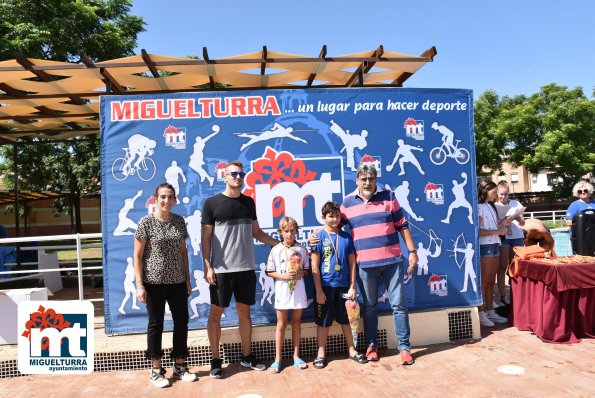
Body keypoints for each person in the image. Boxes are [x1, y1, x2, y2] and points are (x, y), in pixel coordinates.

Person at [311, 164, 419, 365]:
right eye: (364, 179)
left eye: (371, 178)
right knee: (369, 307)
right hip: (365, 264)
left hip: (393, 261)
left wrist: (412, 251)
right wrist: (315, 237)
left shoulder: (389, 197)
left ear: (376, 179)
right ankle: (371, 346)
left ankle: (404, 348)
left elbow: (402, 225)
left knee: (399, 306)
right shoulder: (347, 203)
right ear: (357, 181)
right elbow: (332, 223)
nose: (367, 182)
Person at [201, 160, 280, 378]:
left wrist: (282, 244)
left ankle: (247, 356)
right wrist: (207, 266)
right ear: (224, 177)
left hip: (246, 269)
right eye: (233, 174)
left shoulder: (249, 203)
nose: (238, 177)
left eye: (241, 174)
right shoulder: (211, 203)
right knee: (216, 314)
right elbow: (205, 238)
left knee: (244, 312)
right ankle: (215, 360)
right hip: (221, 271)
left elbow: (258, 233)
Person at [134, 182, 197, 388]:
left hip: (177, 281)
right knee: (156, 324)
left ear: (175, 200)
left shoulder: (179, 221)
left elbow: (184, 252)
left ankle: (180, 367)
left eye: (170, 197)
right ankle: (156, 370)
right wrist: (140, 284)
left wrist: (187, 279)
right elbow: (137, 255)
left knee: (181, 322)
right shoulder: (145, 223)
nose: (166, 201)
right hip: (153, 282)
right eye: (162, 197)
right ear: (155, 199)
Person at [310, 201, 366, 369]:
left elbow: (352, 264)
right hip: (325, 287)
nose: (334, 219)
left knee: (346, 320)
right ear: (323, 218)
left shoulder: (346, 237)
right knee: (323, 322)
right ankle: (321, 354)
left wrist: (352, 286)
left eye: (336, 216)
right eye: (330, 216)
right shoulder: (318, 237)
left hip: (343, 287)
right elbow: (314, 266)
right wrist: (319, 290)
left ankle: (352, 350)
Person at [265, 216, 310, 373]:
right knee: (281, 324)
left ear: (297, 231)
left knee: (296, 323)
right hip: (282, 292)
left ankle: (296, 356)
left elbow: (307, 270)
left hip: (298, 291)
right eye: (286, 231)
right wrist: (284, 276)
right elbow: (269, 271)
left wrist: (300, 272)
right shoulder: (276, 250)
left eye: (292, 231)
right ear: (281, 232)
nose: (290, 234)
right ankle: (278, 359)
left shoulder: (302, 250)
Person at [476, 179, 509, 327]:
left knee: (490, 282)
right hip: (485, 247)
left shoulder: (491, 206)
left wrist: (503, 224)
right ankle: (481, 312)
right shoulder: (478, 207)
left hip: (495, 244)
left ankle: (490, 310)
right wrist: (497, 231)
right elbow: (477, 231)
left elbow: (491, 226)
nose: (495, 195)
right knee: (484, 282)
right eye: (493, 192)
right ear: (484, 191)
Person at [495, 181, 525, 307]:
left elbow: (523, 223)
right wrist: (502, 220)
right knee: (502, 267)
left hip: (517, 237)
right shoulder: (494, 205)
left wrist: (518, 218)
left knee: (516, 267)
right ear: (497, 193)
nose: (503, 197)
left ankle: (517, 294)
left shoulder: (516, 203)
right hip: (503, 237)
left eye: (506, 195)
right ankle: (503, 295)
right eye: (501, 194)